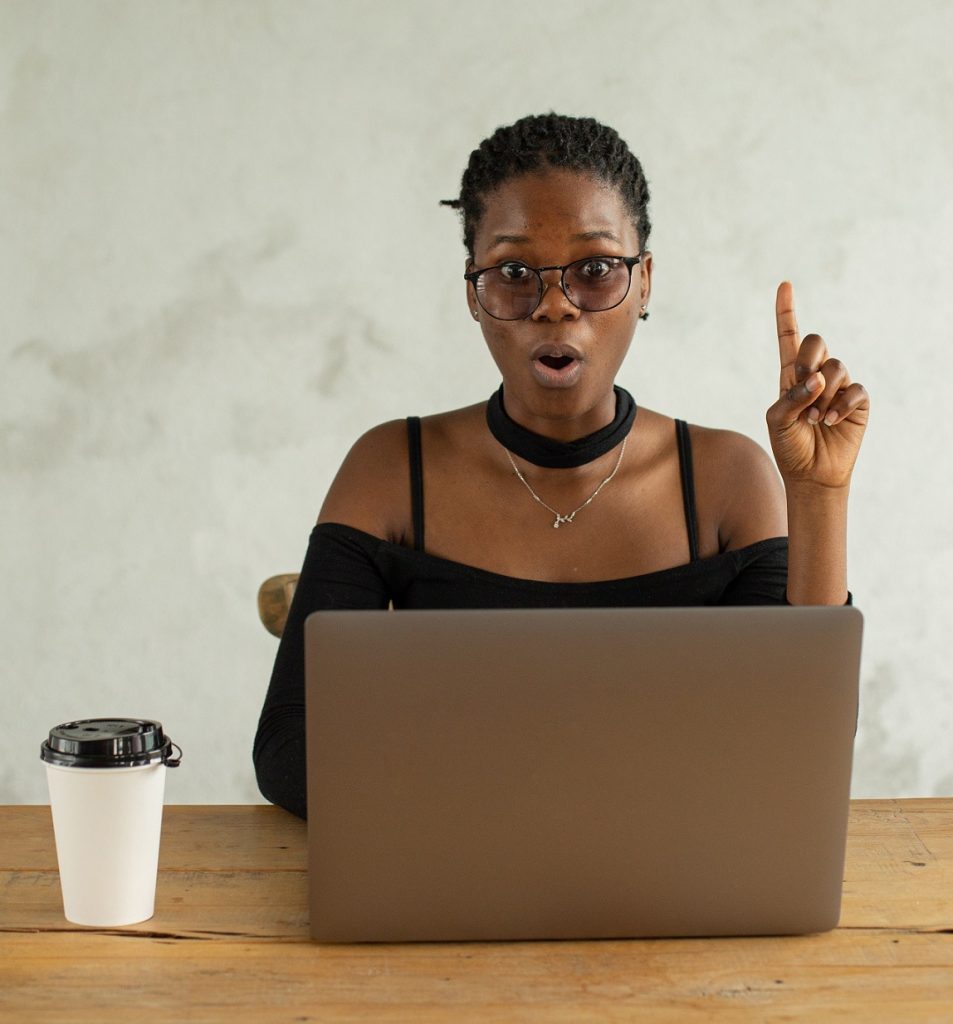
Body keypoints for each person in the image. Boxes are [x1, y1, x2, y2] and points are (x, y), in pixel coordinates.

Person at [253, 113, 869, 819]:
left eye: (596, 270)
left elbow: (803, 747)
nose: (553, 304)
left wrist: (818, 495)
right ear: (471, 292)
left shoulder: (727, 479)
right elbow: (290, 754)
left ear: (643, 285)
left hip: (671, 897)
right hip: (459, 887)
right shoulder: (393, 470)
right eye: (514, 272)